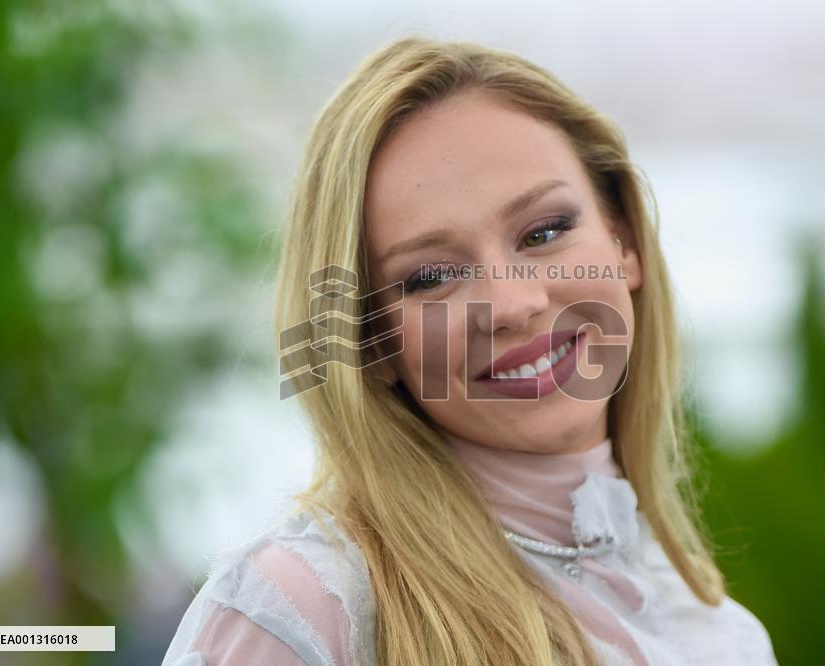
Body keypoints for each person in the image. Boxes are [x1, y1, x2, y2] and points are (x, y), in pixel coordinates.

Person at [161, 35, 779, 665]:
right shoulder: (304, 608)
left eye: (543, 232)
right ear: (371, 343)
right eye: (430, 277)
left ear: (625, 241)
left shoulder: (723, 637)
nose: (513, 305)